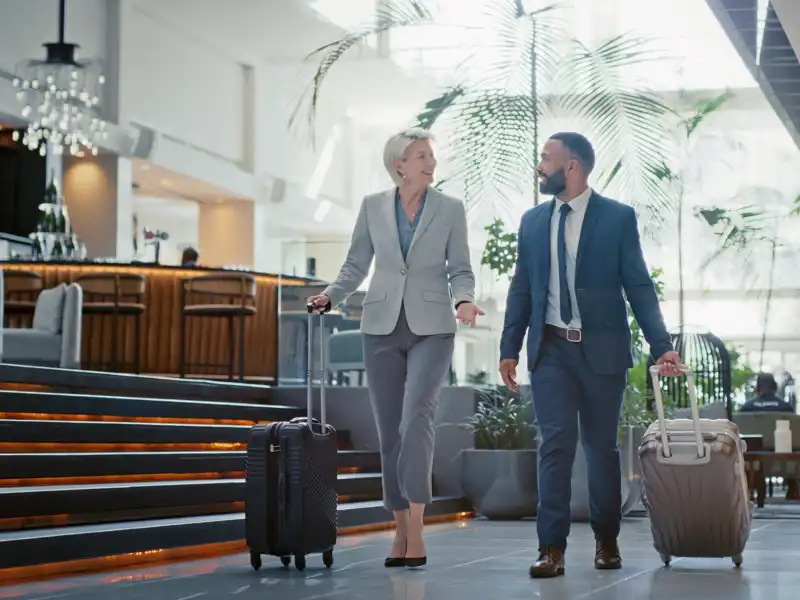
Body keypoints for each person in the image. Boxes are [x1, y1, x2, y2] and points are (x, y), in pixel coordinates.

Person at [498, 132, 683, 579]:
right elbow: (523, 287)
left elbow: (638, 284)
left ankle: (606, 539)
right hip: (551, 350)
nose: (540, 166)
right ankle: (551, 548)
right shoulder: (532, 221)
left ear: (573, 166)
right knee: (555, 444)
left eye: (546, 159)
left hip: (602, 351)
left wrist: (662, 346)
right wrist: (509, 348)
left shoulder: (616, 218)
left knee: (600, 448)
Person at [307, 128, 483, 568]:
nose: (431, 163)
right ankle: (399, 528)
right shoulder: (372, 207)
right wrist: (332, 295)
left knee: (415, 420)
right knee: (389, 432)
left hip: (432, 328)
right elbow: (355, 265)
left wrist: (463, 299)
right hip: (381, 325)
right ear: (399, 165)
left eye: (431, 156)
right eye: (421, 156)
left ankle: (418, 529)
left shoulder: (450, 209)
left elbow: (460, 267)